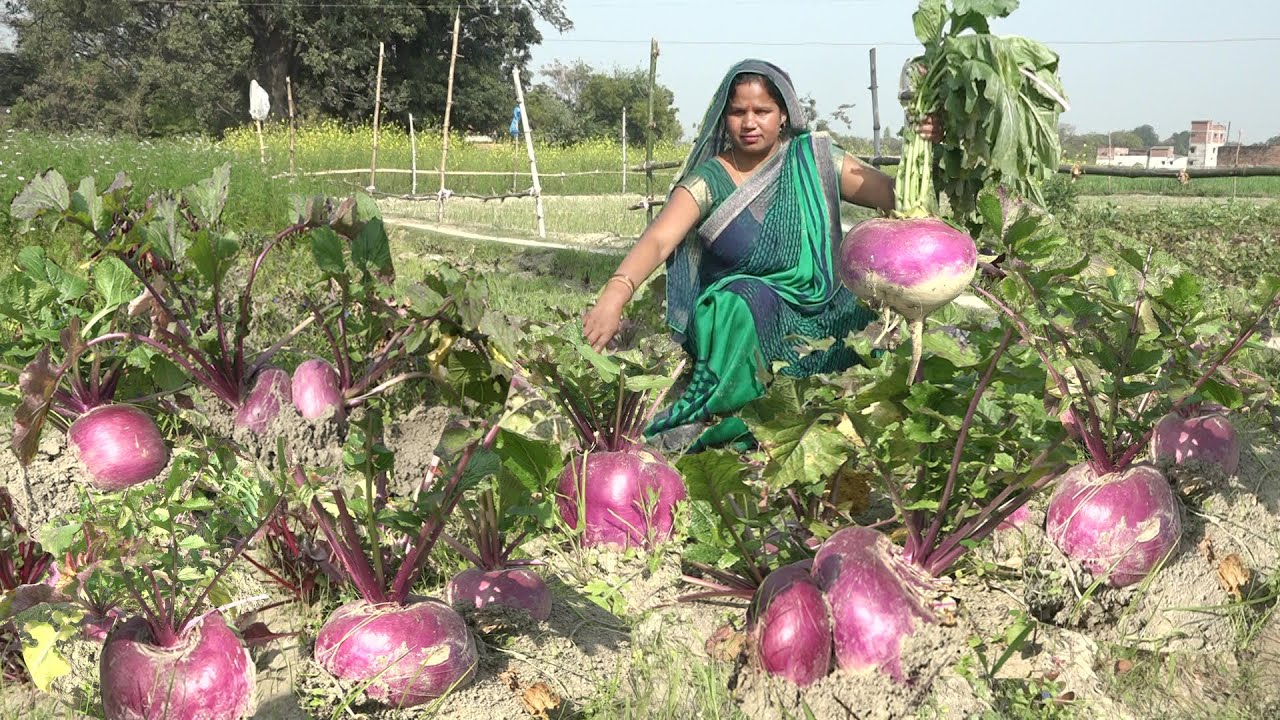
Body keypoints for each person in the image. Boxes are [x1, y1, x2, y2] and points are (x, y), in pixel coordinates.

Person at [582, 59, 939, 451]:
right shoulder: (709, 180)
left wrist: (924, 144)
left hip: (818, 302)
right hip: (743, 316)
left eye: (762, 111)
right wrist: (616, 293)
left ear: (783, 115)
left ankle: (853, 394)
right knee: (743, 300)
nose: (749, 122)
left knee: (872, 300)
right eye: (738, 112)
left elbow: (895, 197)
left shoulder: (814, 159)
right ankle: (726, 412)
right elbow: (659, 240)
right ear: (724, 116)